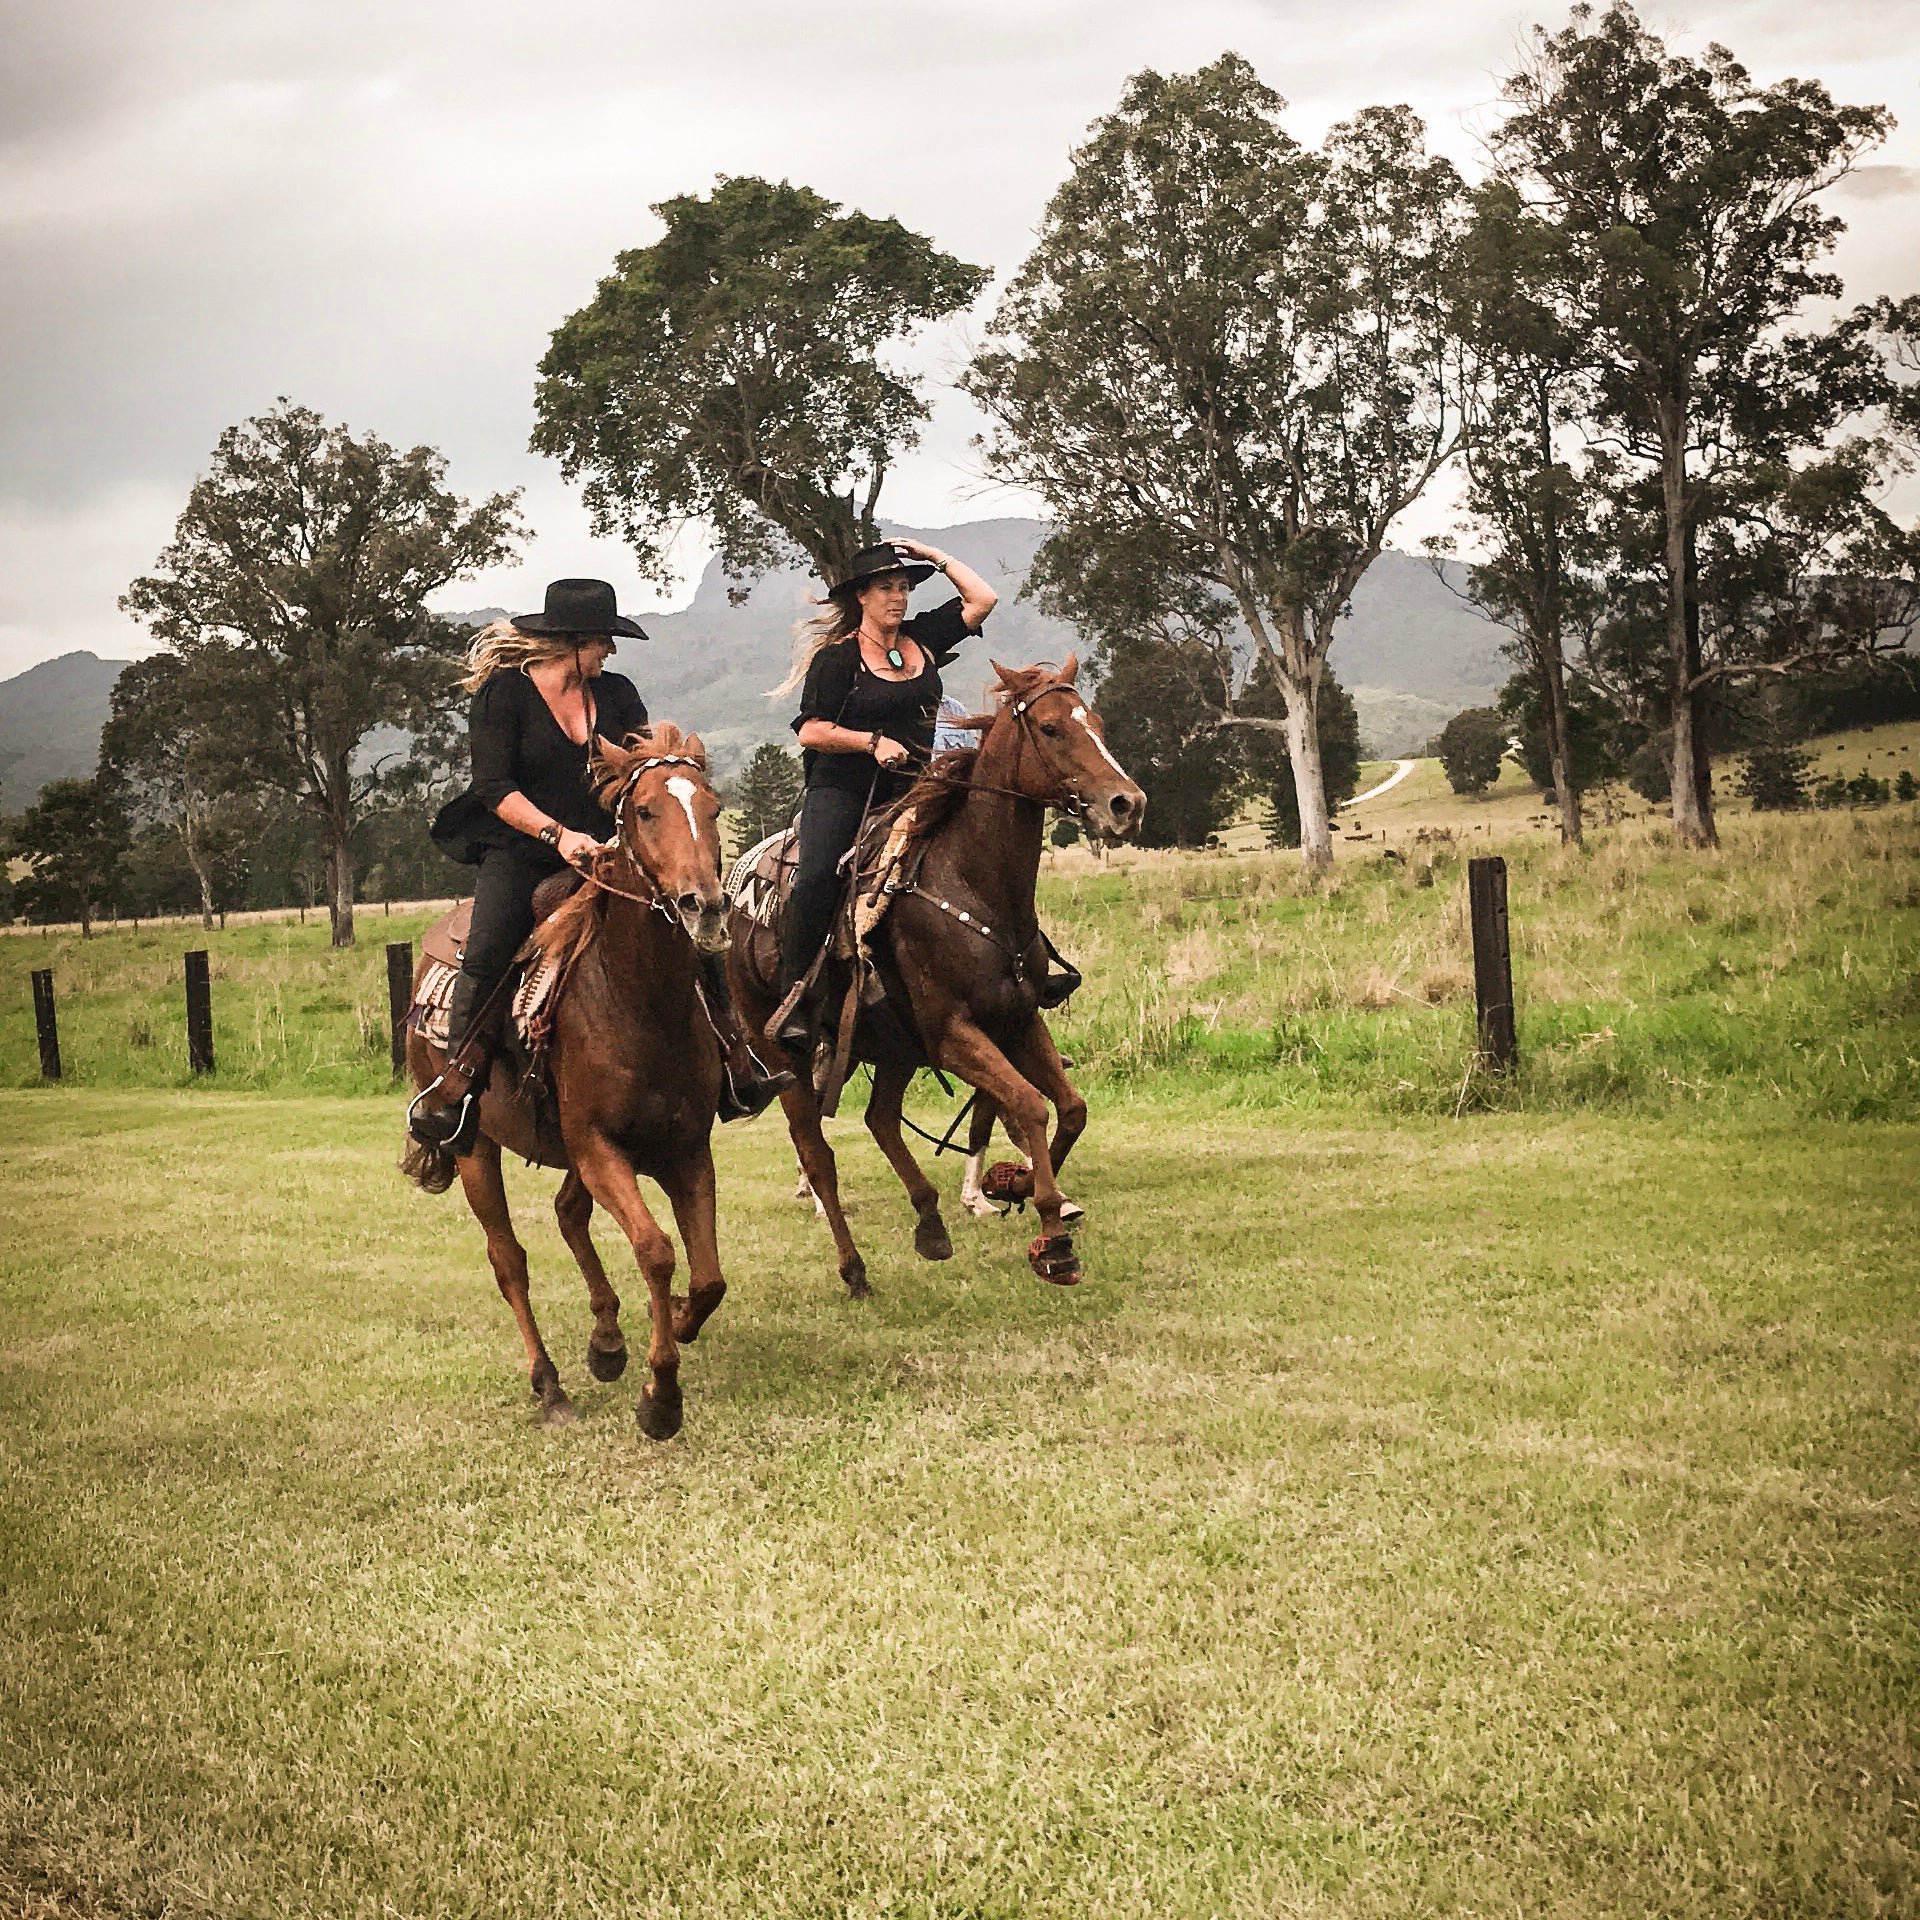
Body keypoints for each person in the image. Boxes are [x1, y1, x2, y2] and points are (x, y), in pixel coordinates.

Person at [411, 577, 790, 1153]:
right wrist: (558, 835)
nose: (610, 651)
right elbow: (494, 788)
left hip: (607, 851)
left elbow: (638, 768)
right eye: (603, 641)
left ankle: (738, 1061)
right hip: (522, 848)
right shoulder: (503, 696)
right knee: (489, 945)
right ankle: (458, 1083)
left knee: (693, 932)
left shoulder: (615, 694)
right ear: (571, 641)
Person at [770, 538, 997, 1056]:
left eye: (902, 587)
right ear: (862, 598)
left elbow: (982, 599)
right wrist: (870, 743)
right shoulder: (837, 659)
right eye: (885, 588)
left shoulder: (922, 639)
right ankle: (795, 997)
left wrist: (933, 555)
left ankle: (1020, 972)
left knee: (985, 850)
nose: (897, 598)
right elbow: (810, 731)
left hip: (917, 784)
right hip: (844, 787)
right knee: (817, 876)